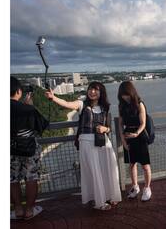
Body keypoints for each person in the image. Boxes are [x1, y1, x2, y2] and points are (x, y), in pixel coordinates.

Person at [45, 82, 122, 210]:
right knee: (95, 171)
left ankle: (110, 195)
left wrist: (104, 129)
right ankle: (99, 202)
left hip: (103, 142)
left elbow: (109, 128)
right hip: (87, 142)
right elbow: (67, 104)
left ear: (101, 92)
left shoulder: (105, 107)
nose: (92, 92)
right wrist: (54, 98)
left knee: (107, 169)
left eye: (96, 90)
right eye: (91, 89)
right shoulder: (82, 104)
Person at [11, 76, 49, 220]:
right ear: (19, 91)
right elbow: (42, 126)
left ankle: (18, 209)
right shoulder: (27, 109)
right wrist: (30, 107)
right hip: (29, 150)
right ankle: (29, 210)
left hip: (9, 150)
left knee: (11, 179)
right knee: (31, 178)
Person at [117, 81, 152, 201]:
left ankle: (147, 188)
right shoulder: (121, 106)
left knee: (145, 166)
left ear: (131, 92)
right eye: (122, 95)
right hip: (128, 137)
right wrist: (123, 140)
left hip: (139, 136)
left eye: (126, 94)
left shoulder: (139, 104)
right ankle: (135, 187)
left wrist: (136, 133)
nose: (124, 97)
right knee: (132, 165)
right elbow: (120, 124)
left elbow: (143, 123)